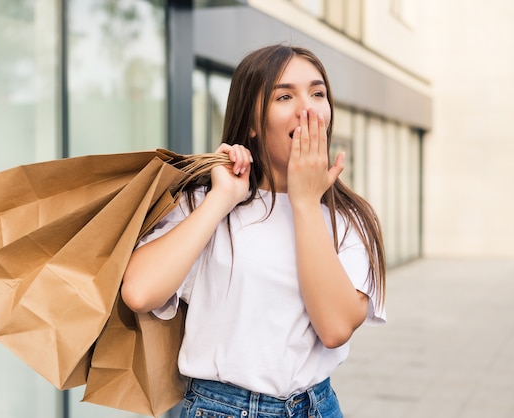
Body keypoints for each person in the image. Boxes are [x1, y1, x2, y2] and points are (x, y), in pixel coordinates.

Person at [121, 44, 386, 418]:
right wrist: (222, 199)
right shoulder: (207, 202)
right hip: (220, 409)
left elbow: (336, 328)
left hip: (316, 406)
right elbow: (139, 291)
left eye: (317, 93)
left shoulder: (349, 218)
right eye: (284, 95)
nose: (307, 109)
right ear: (251, 122)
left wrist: (306, 203)